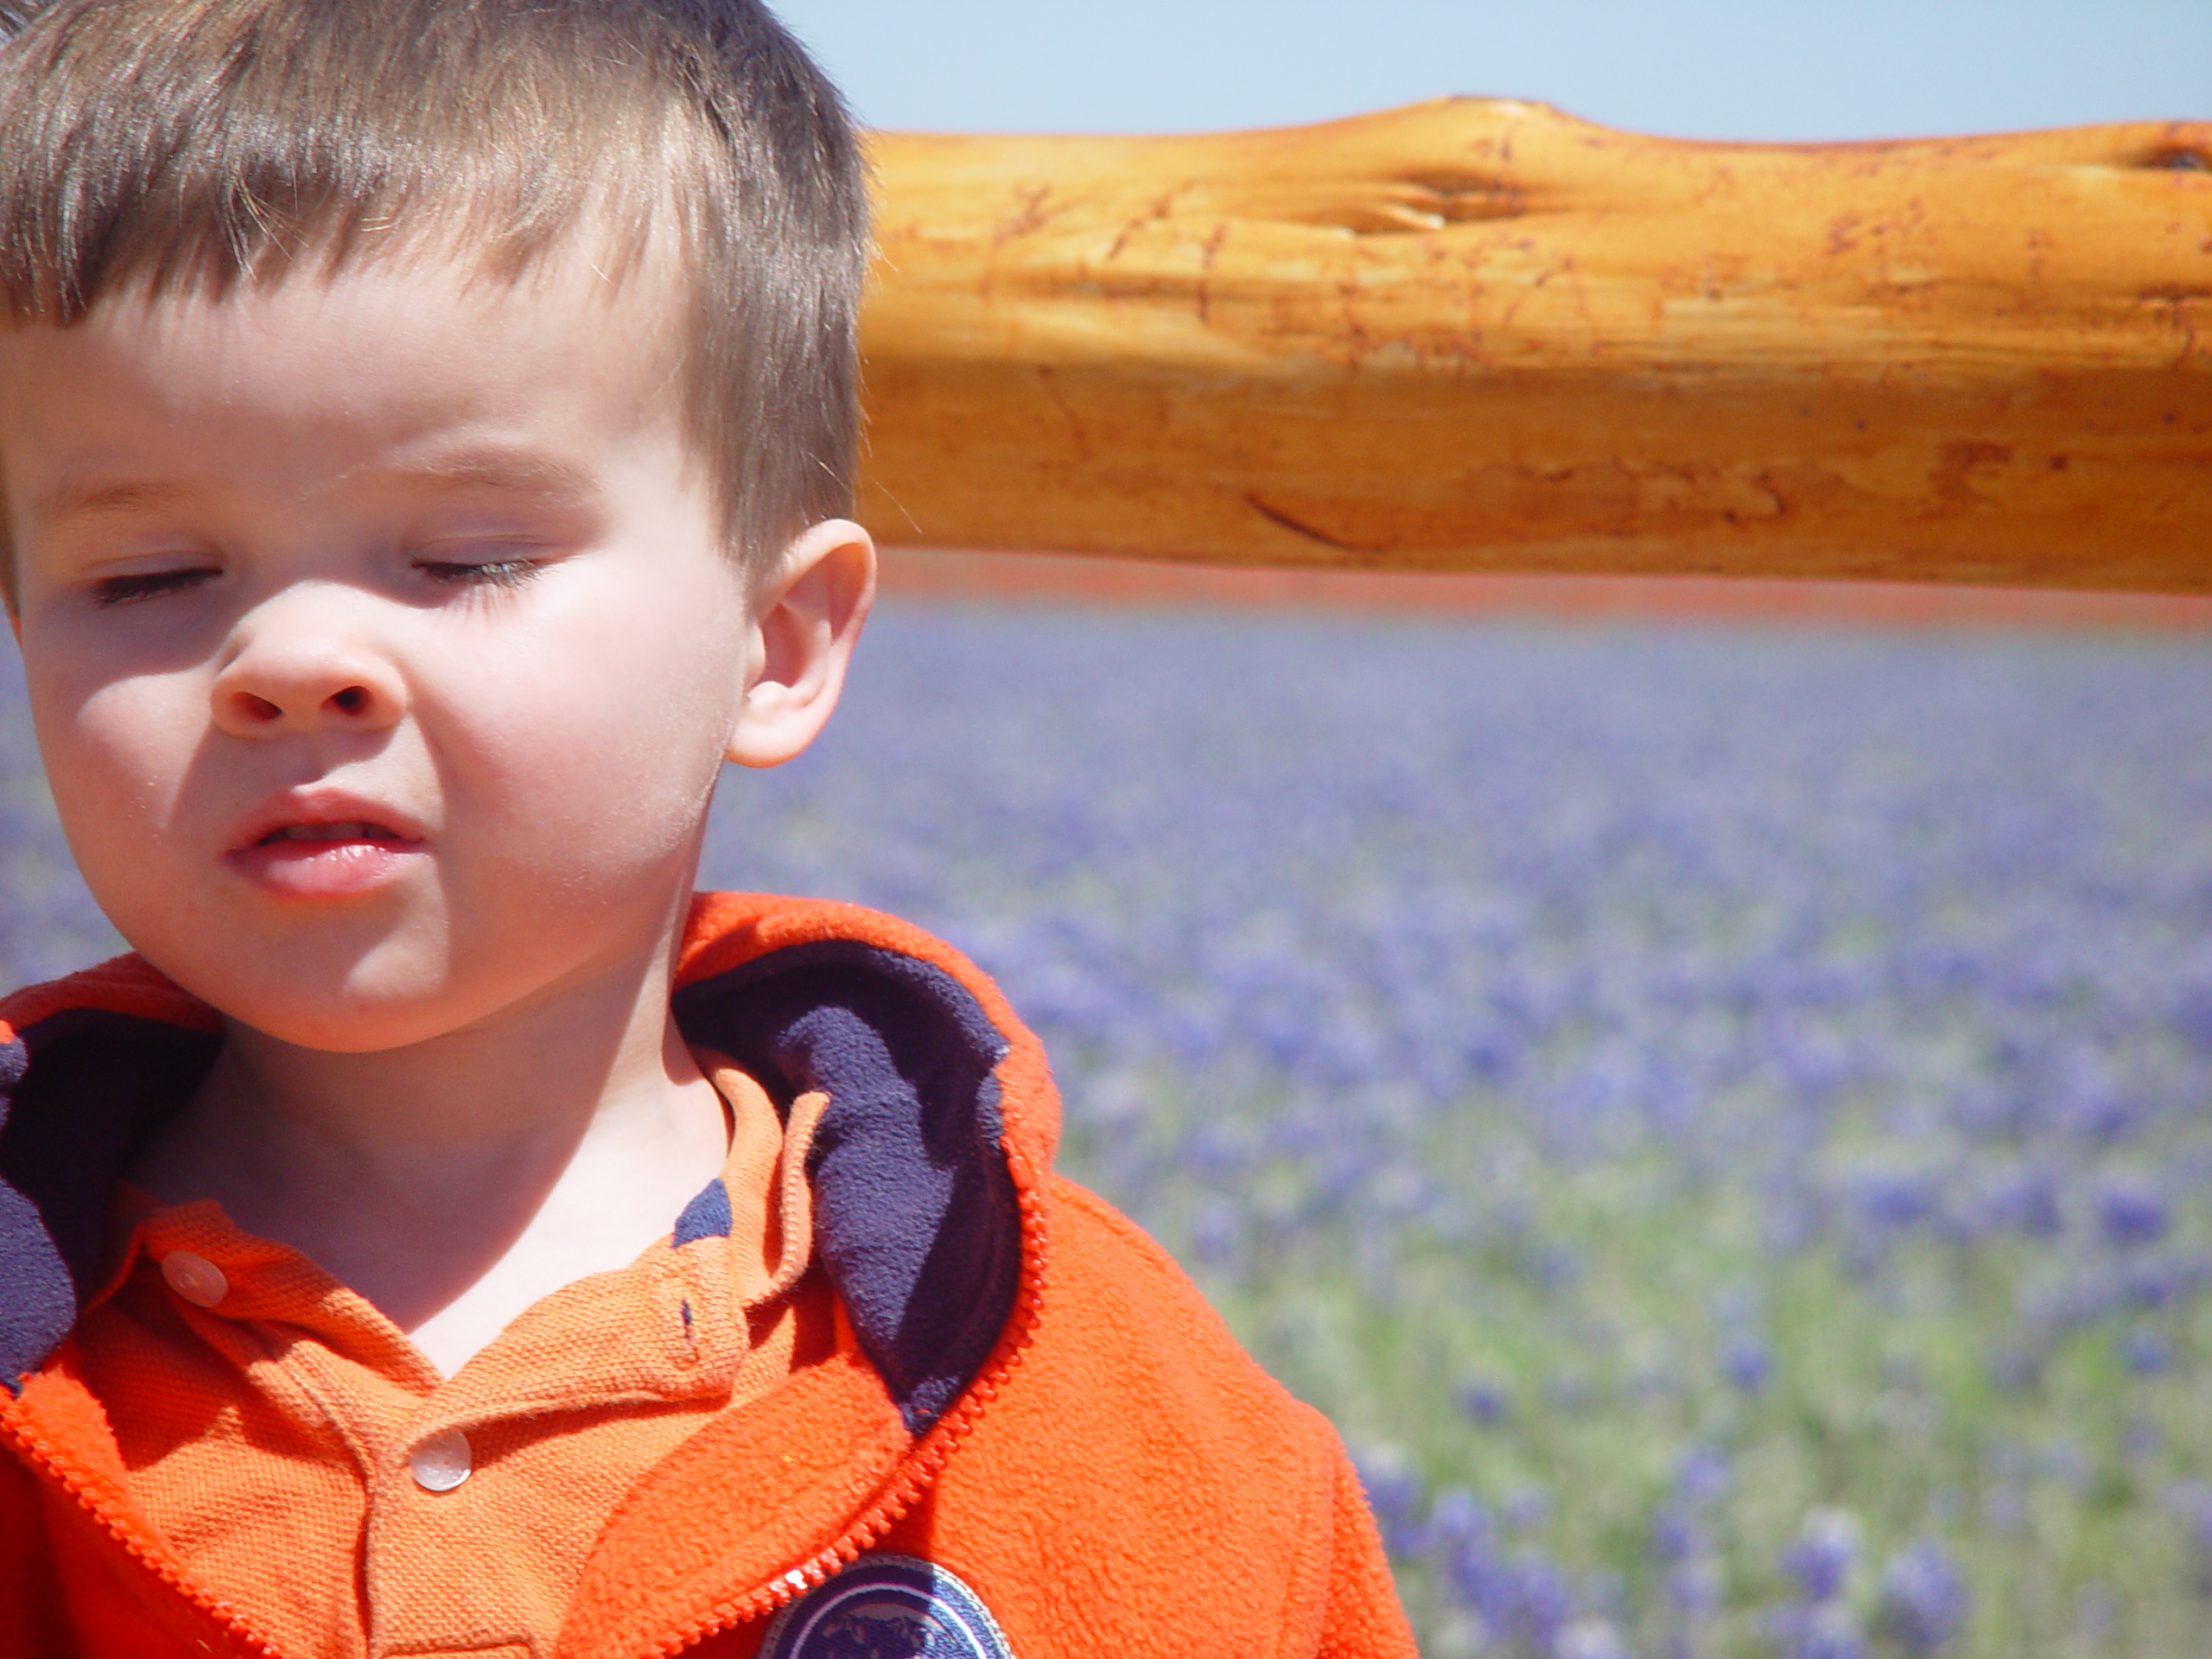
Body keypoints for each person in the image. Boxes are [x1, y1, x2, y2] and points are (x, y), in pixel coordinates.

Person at [0, 2, 1415, 1655]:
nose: (295, 664)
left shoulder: (1112, 1414)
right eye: (150, 578)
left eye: (462, 555)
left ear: (779, 642)